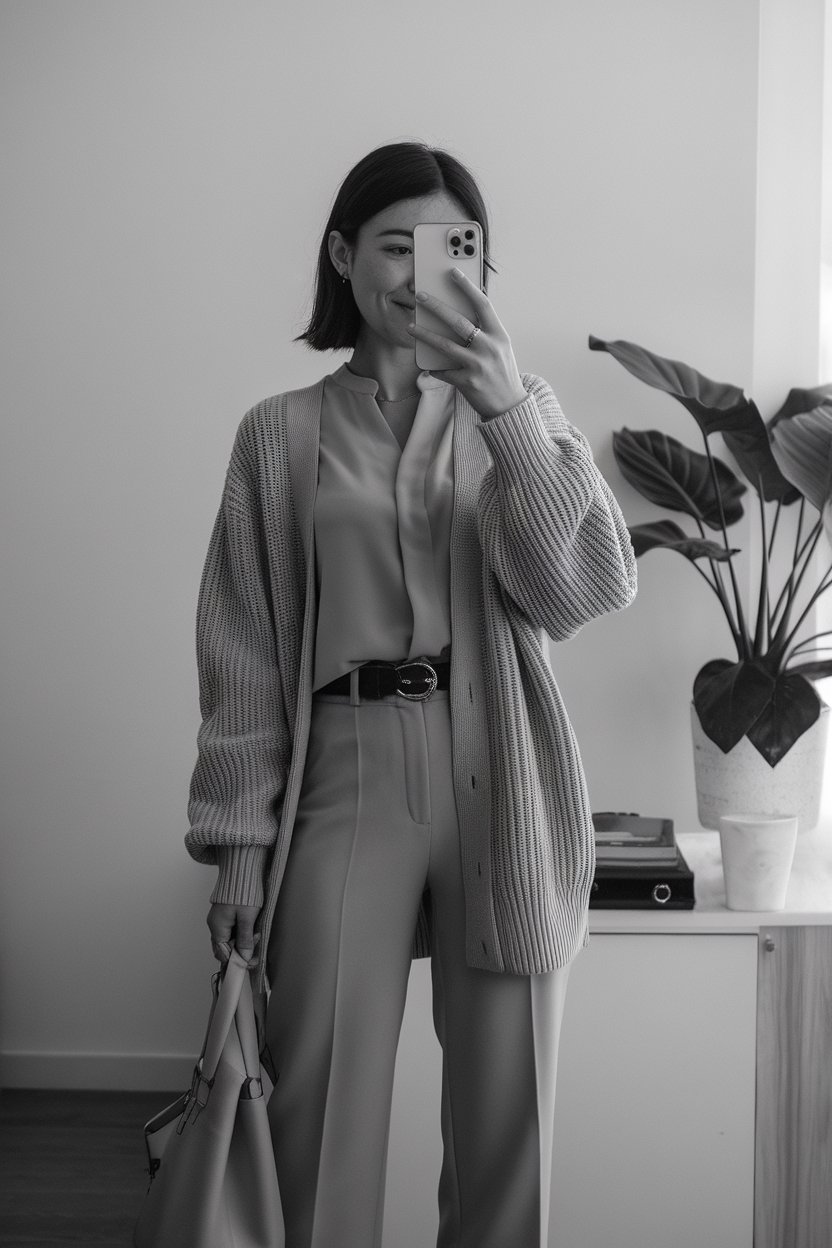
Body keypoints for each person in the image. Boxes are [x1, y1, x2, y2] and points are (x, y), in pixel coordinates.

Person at [186, 141, 637, 1248]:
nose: (416, 273)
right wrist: (239, 845)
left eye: (449, 249)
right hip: (344, 776)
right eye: (394, 244)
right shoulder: (276, 435)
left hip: (499, 780)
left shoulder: (518, 419)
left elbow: (581, 590)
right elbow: (240, 655)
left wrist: (506, 416)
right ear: (342, 256)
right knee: (319, 1116)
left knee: (503, 1134)